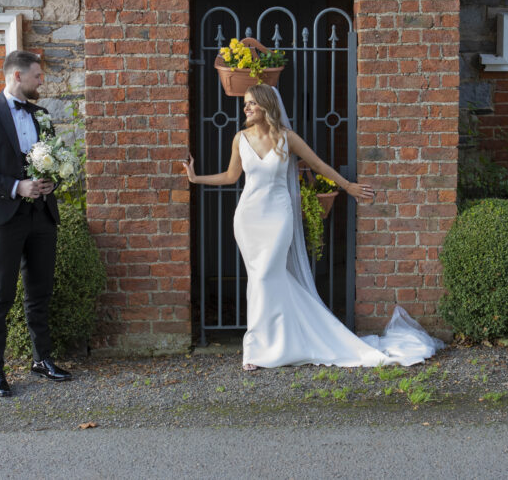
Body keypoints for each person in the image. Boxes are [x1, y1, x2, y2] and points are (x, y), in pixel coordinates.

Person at [183, 83, 443, 370]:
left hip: (278, 217)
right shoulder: (239, 139)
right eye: (245, 103)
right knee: (261, 280)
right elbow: (232, 176)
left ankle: (261, 347)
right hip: (248, 218)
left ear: (267, 106)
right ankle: (269, 345)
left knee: (266, 277)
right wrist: (196, 179)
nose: (246, 108)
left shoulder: (287, 138)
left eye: (252, 103)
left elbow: (318, 165)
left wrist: (348, 186)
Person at [0, 50, 72, 397]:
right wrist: (16, 186)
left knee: (39, 292)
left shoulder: (41, 115)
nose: (41, 81)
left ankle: (42, 359)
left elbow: (51, 160)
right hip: (4, 216)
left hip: (41, 214)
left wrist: (52, 181)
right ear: (16, 76)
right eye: (37, 76)